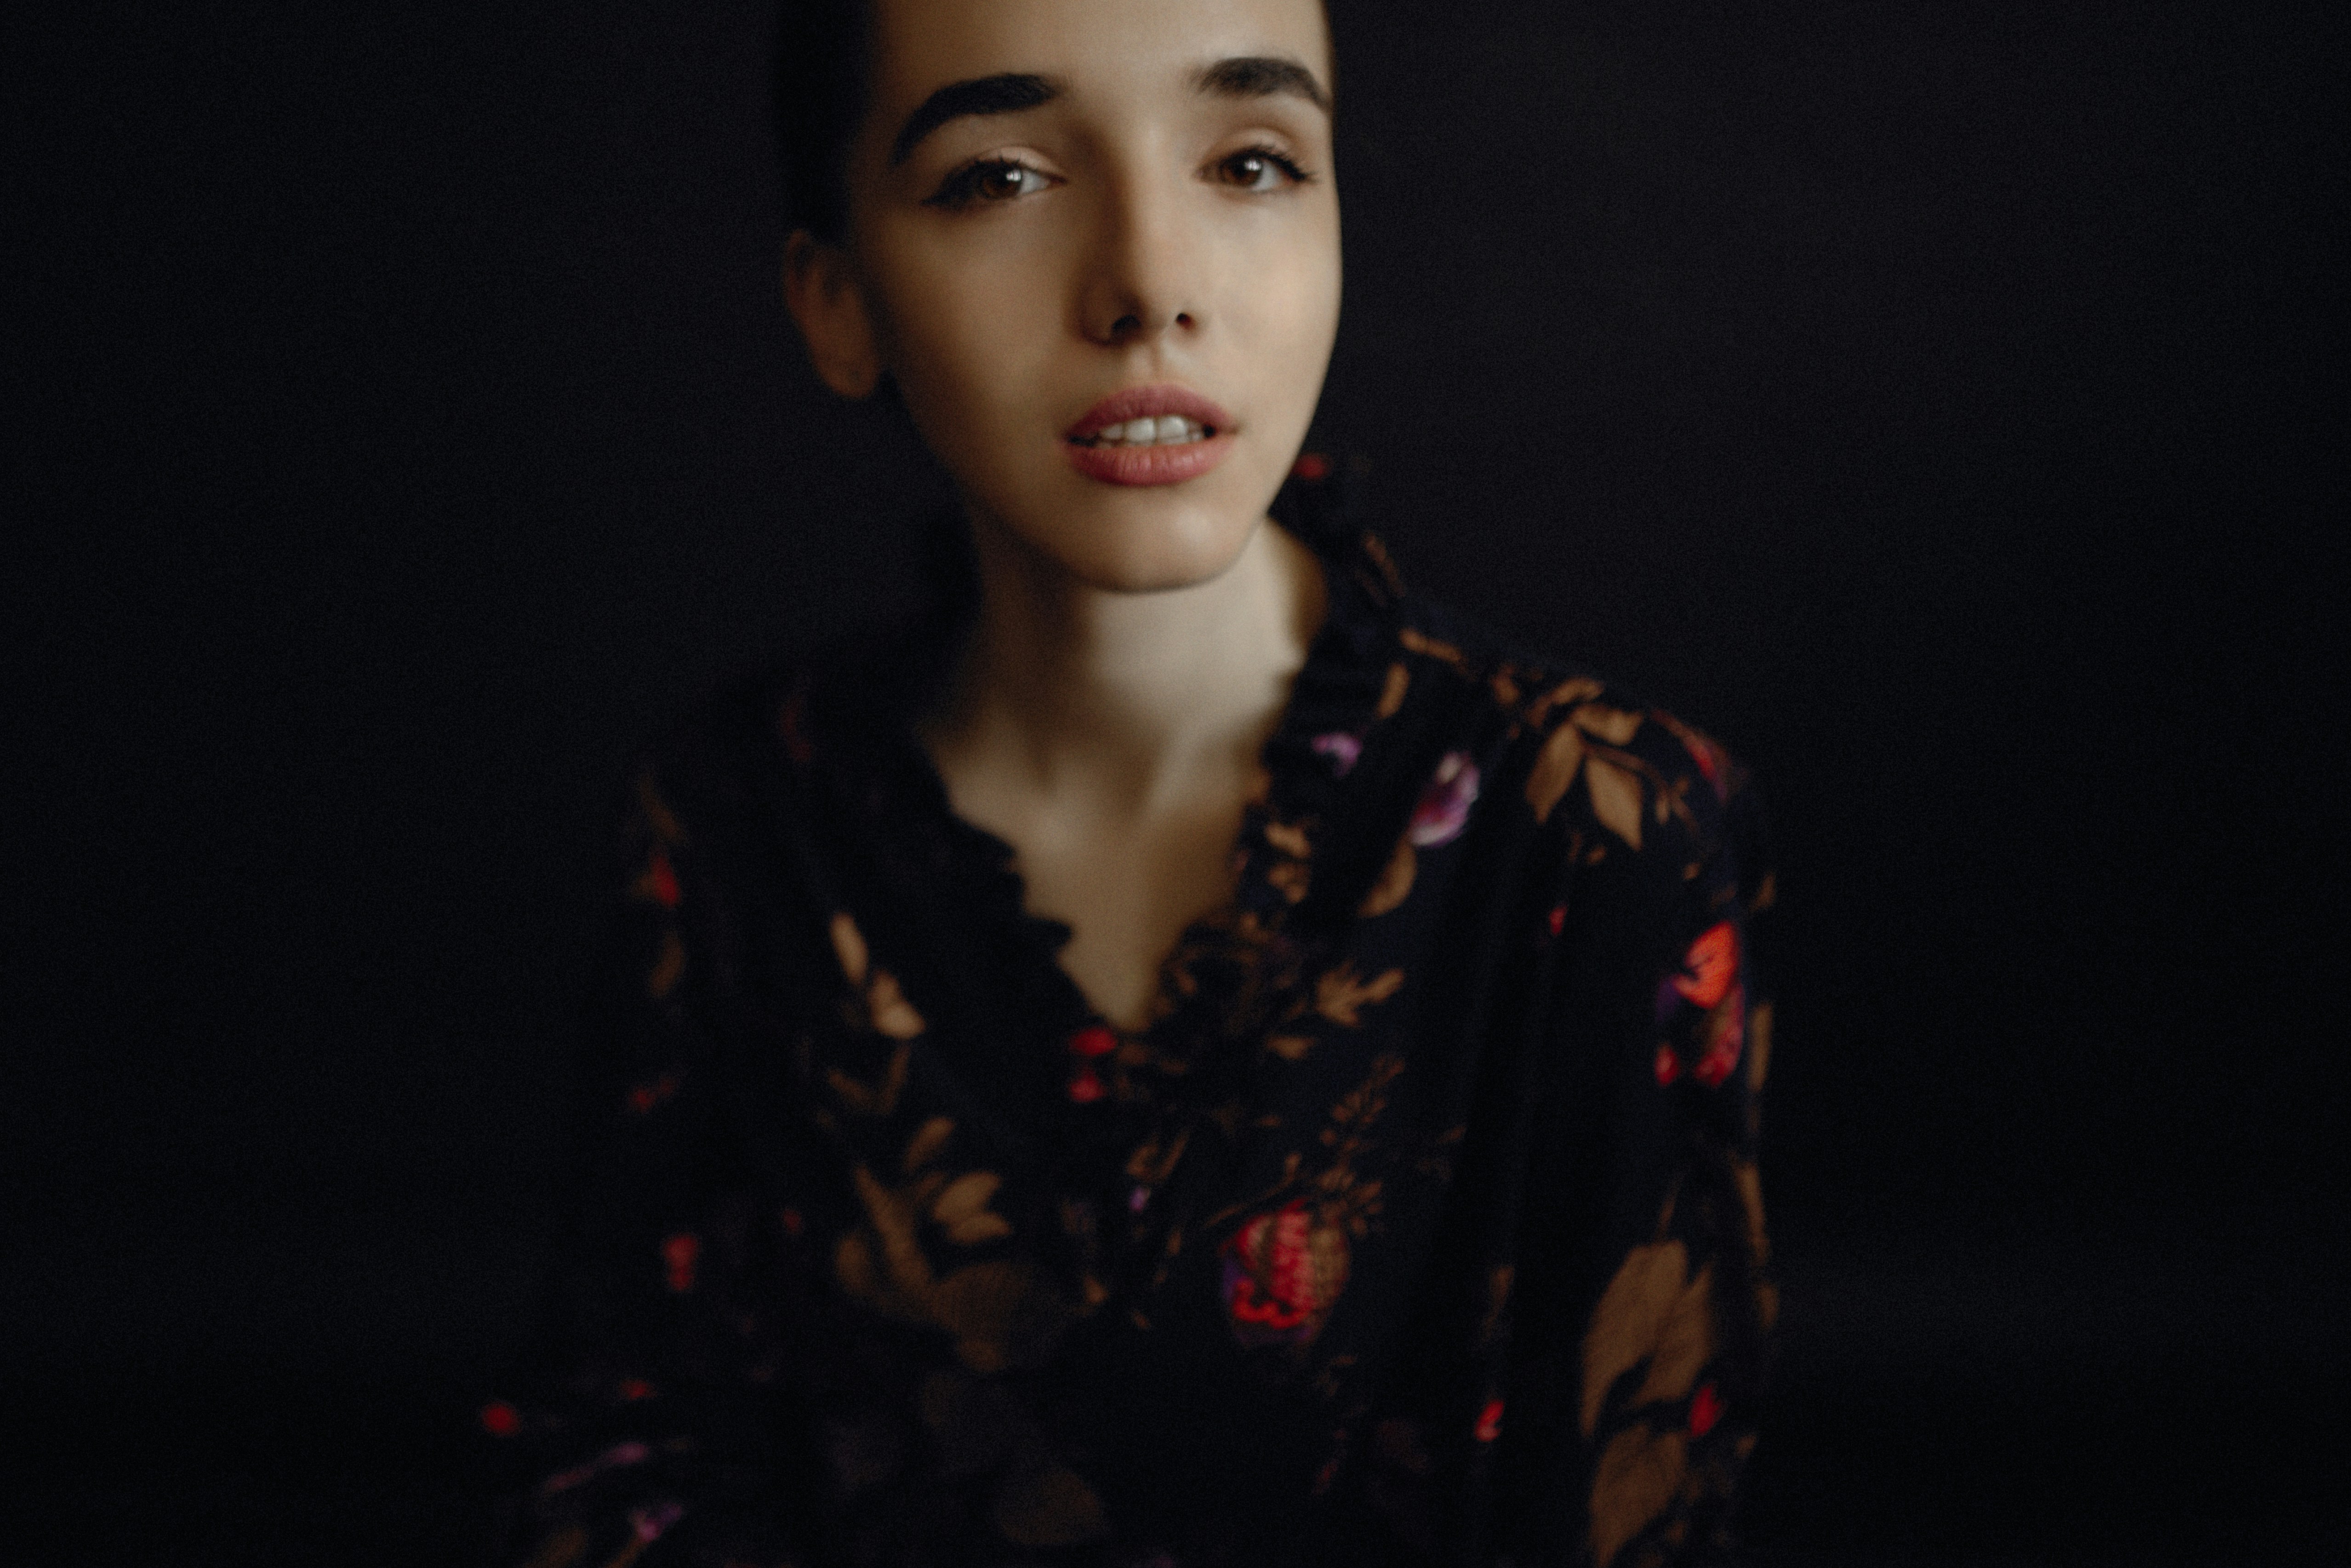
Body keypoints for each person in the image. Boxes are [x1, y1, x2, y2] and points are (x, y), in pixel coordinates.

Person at [482, 0, 1775, 1562]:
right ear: (838, 306)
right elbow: (619, 1474)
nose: (1151, 288)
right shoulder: (736, 817)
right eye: (1001, 179)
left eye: (1248, 159)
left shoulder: (1593, 830)